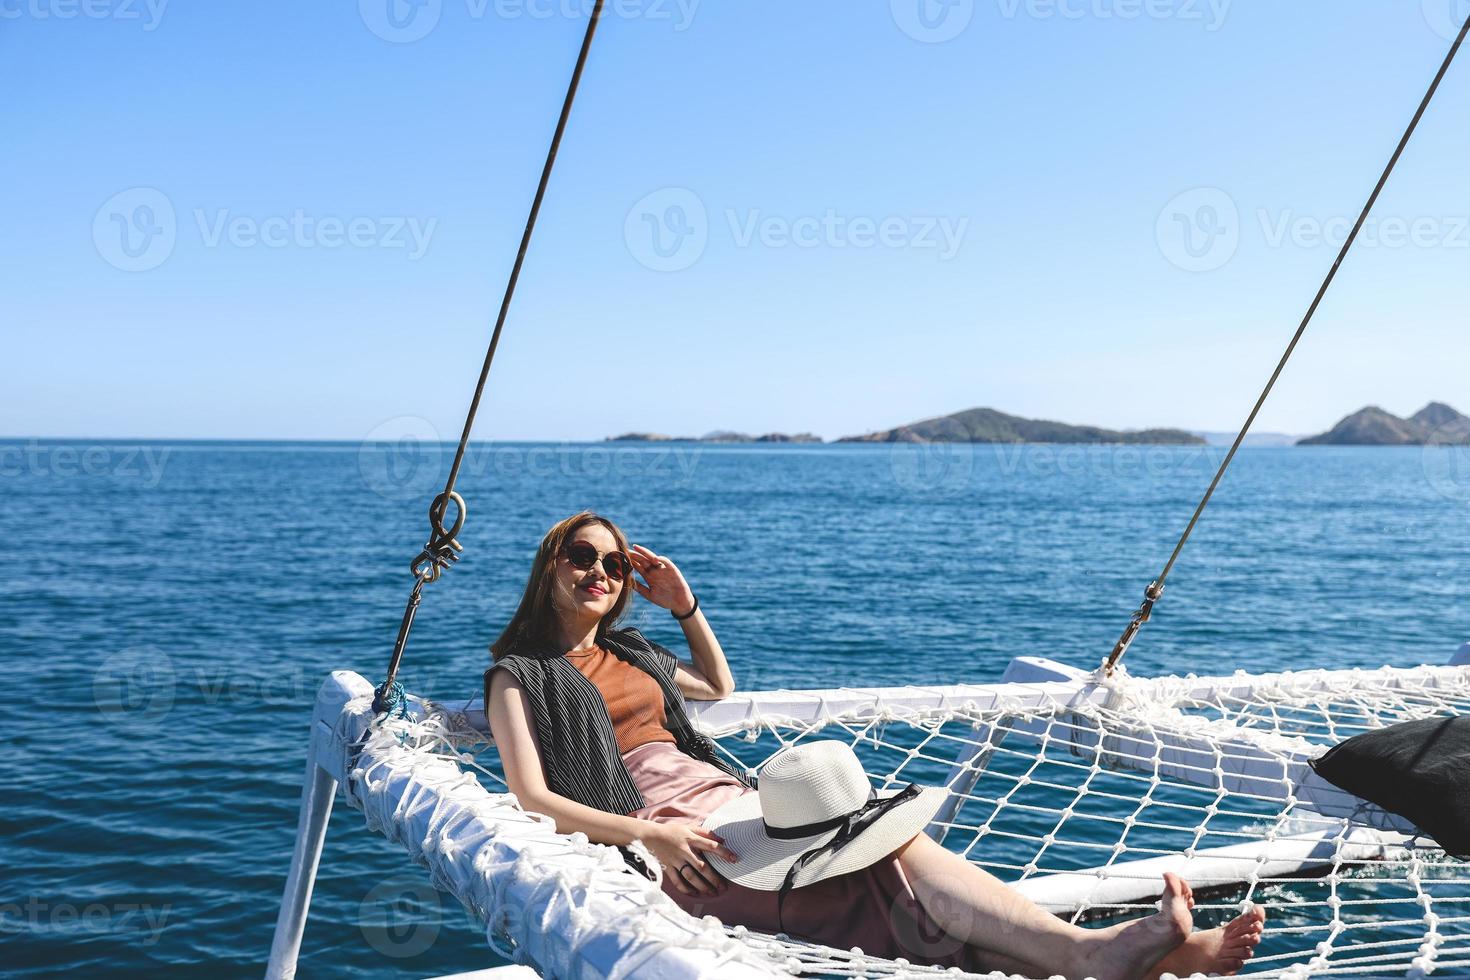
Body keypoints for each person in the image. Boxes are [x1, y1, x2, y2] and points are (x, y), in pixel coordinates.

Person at [483, 511, 1266, 979]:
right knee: (873, 880)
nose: (599, 572)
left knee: (890, 846)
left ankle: (1097, 955)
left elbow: (715, 687)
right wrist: (650, 833)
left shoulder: (637, 652)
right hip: (666, 835)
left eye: (614, 564)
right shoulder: (519, 674)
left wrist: (686, 605)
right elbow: (532, 796)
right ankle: (1105, 959)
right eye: (581, 557)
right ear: (550, 563)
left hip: (737, 805)